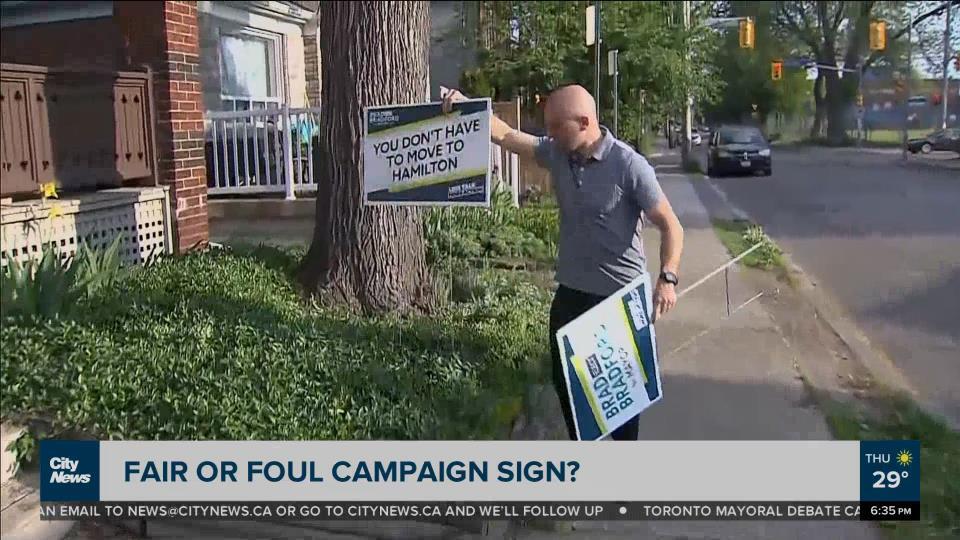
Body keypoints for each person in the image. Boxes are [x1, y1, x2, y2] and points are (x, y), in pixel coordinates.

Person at [442, 84, 684, 441]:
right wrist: (466, 107)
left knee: (618, 403)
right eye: (549, 127)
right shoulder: (558, 153)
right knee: (568, 385)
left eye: (557, 126)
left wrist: (667, 277)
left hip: (617, 300)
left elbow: (670, 224)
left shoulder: (629, 165)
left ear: (585, 122)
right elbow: (507, 135)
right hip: (571, 293)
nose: (550, 135)